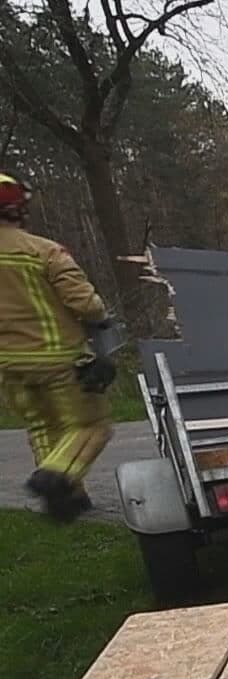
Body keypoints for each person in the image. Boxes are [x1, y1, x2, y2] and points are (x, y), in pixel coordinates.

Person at [0, 171, 114, 521]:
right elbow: (86, 305)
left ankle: (70, 502)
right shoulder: (43, 251)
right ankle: (57, 477)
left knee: (42, 427)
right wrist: (101, 318)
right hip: (58, 360)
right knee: (91, 426)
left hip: (9, 368)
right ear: (17, 207)